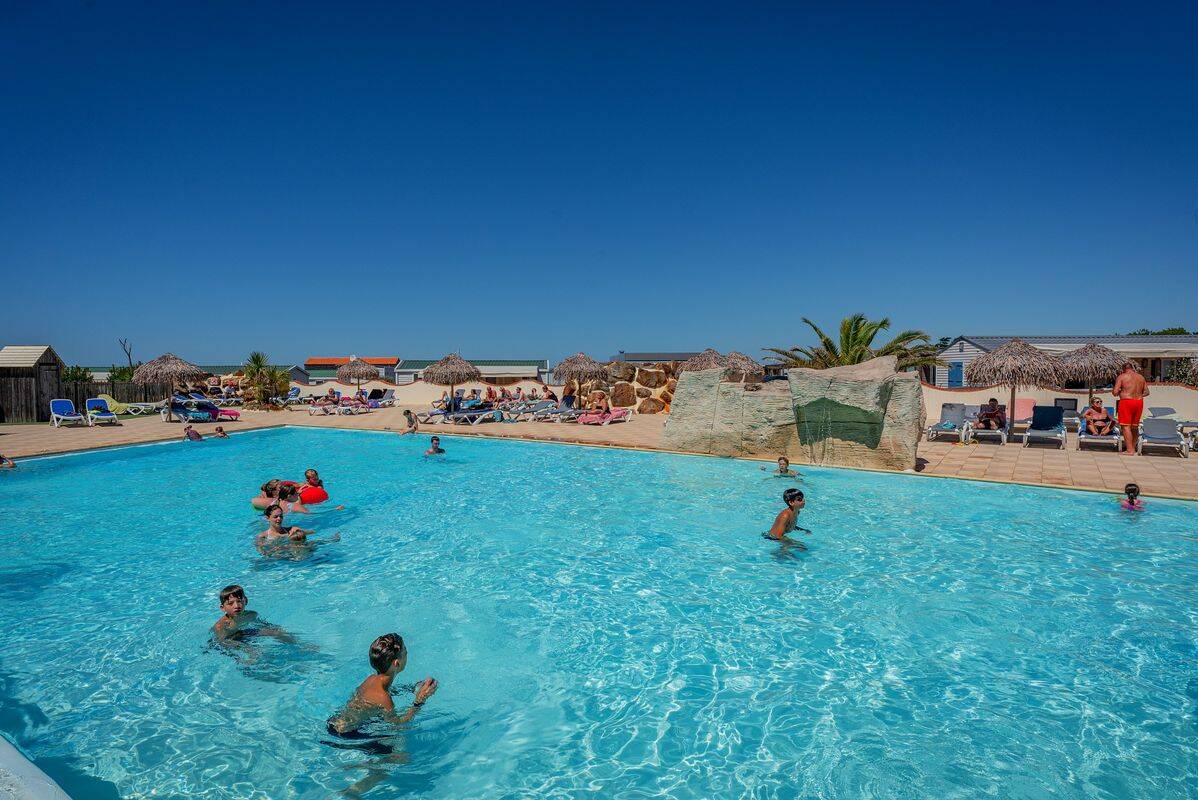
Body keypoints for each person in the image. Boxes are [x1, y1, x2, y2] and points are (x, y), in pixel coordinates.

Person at [326, 633, 437, 736]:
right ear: (396, 663)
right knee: (399, 755)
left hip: (335, 722)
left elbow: (377, 696)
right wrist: (419, 701)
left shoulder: (371, 679)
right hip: (346, 733)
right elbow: (398, 726)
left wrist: (410, 689)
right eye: (405, 652)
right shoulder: (384, 698)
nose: (407, 654)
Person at [211, 584, 296, 643]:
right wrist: (245, 648)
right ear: (222, 608)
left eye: (239, 601)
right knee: (253, 651)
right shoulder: (222, 625)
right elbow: (221, 642)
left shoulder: (251, 615)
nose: (236, 606)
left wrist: (277, 629)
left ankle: (298, 645)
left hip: (243, 633)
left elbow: (263, 624)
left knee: (278, 632)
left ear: (246, 601)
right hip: (228, 640)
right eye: (230, 603)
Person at [256, 504, 338, 556]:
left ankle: (331, 540)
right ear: (268, 518)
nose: (279, 519)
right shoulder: (263, 536)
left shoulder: (292, 529)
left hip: (299, 554)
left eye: (281, 516)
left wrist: (300, 532)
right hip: (283, 559)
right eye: (275, 517)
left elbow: (312, 532)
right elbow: (263, 553)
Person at [1113, 362, 1149, 456]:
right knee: (1134, 426)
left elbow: (1115, 392)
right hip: (1139, 402)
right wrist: (1137, 395)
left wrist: (1121, 391)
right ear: (1133, 368)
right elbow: (1147, 392)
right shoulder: (1141, 377)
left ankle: (1129, 450)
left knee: (1125, 426)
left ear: (1123, 369)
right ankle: (1132, 448)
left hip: (1126, 401)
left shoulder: (1122, 376)